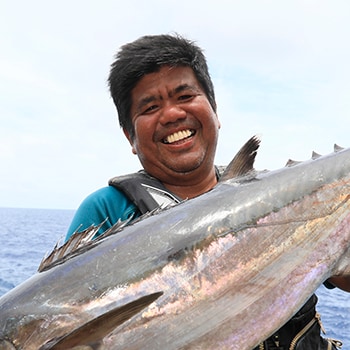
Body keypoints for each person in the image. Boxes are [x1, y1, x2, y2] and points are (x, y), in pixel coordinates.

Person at [65, 34, 349, 349]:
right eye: (150, 107)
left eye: (184, 96)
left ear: (214, 111)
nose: (172, 114)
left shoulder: (280, 196)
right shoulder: (106, 211)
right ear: (129, 136)